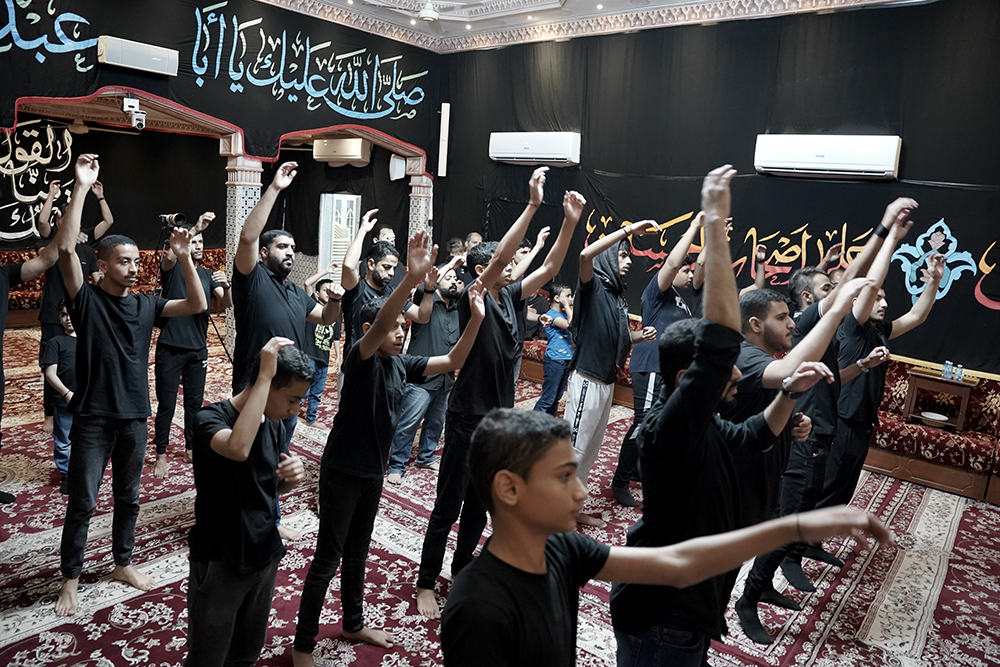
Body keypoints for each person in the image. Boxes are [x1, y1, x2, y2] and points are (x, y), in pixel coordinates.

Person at [439, 408, 894, 667]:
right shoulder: (478, 607)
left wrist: (797, 527)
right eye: (563, 477)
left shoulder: (560, 548)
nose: (582, 492)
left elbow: (678, 565)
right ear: (509, 489)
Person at [608, 165, 833, 666]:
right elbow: (719, 345)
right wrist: (712, 222)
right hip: (661, 617)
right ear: (690, 378)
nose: (737, 374)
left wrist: (789, 393)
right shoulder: (668, 430)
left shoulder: (703, 425)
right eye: (724, 369)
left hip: (684, 613)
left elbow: (753, 436)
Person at [291, 232, 486, 664]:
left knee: (358, 552)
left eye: (404, 326)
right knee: (328, 559)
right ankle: (303, 645)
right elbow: (380, 322)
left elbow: (453, 360)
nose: (401, 332)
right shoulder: (360, 358)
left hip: (372, 473)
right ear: (370, 330)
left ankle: (353, 622)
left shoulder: (401, 363)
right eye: (394, 327)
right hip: (343, 470)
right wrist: (411, 279)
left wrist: (476, 318)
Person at [415, 168, 585, 619]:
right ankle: (426, 581)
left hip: (498, 425)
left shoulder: (509, 298)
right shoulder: (475, 295)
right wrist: (531, 205)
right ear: (483, 270)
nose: (512, 267)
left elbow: (549, 268)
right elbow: (502, 257)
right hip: (467, 418)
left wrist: (569, 223)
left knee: (478, 506)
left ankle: (460, 570)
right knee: (448, 505)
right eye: (504, 265)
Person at [54, 154, 208, 617]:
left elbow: (197, 304)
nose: (134, 267)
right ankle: (70, 579)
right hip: (92, 418)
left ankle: (122, 562)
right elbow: (66, 251)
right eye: (124, 261)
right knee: (83, 502)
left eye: (137, 261)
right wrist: (81, 187)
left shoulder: (147, 305)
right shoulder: (85, 301)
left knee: (129, 497)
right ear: (102, 265)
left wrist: (185, 258)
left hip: (135, 417)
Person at [777, 198, 917, 592]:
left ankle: (801, 550)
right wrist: (885, 231)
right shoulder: (806, 322)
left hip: (823, 420)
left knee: (818, 493)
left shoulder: (825, 328)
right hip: (806, 422)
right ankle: (784, 560)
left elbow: (838, 374)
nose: (837, 291)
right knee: (798, 498)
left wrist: (864, 366)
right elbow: (858, 278)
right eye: (828, 288)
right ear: (809, 299)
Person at [729, 278, 872, 644]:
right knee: (779, 528)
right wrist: (842, 302)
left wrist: (793, 419)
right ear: (756, 324)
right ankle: (746, 601)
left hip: (772, 462)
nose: (791, 323)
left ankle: (755, 591)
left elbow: (766, 408)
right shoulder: (747, 355)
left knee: (784, 525)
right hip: (740, 477)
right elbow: (785, 375)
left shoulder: (766, 356)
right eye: (782, 318)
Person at [185, 338, 309, 667]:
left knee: (246, 653)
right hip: (221, 559)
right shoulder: (209, 418)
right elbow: (238, 448)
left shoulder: (274, 424)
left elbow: (268, 488)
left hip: (263, 554)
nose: (295, 410)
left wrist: (291, 479)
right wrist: (265, 375)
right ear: (264, 384)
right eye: (292, 400)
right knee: (208, 656)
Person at [816, 211, 945, 513]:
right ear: (858, 302)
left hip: (863, 421)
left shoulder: (879, 330)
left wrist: (934, 281)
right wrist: (891, 239)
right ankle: (798, 537)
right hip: (843, 419)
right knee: (828, 486)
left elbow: (916, 316)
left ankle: (817, 534)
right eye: (877, 299)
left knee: (844, 489)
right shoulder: (852, 326)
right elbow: (871, 286)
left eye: (885, 299)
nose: (884, 303)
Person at [563, 218, 658, 526]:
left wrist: (640, 336)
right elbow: (584, 255)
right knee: (573, 451)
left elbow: (616, 336)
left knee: (589, 450)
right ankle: (554, 517)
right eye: (623, 255)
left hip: (605, 382)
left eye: (629, 256)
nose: (629, 261)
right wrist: (629, 230)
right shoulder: (593, 286)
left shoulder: (616, 295)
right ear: (608, 258)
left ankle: (572, 510)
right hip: (587, 379)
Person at [611, 212, 701, 508]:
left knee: (661, 424)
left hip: (669, 370)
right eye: (686, 271)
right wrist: (694, 226)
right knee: (643, 422)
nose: (690, 275)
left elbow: (698, 267)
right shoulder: (658, 291)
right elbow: (673, 263)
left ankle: (639, 470)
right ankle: (620, 480)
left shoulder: (682, 301)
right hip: (651, 366)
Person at [152, 212, 233, 478]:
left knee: (194, 405)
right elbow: (170, 257)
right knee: (167, 405)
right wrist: (195, 228)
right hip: (170, 347)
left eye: (201, 242)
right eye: (194, 241)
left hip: (198, 349)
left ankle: (190, 447)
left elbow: (226, 303)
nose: (198, 246)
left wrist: (227, 286)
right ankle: (161, 454)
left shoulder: (208, 275)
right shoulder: (173, 268)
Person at [36, 178, 110, 433]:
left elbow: (97, 280)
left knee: (79, 360)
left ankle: (82, 401)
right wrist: (51, 194)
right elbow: (42, 223)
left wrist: (100, 196)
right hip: (52, 313)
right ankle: (49, 414)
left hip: (80, 313)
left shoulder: (87, 249)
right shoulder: (51, 242)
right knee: (51, 363)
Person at [386, 255, 464, 484]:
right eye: (448, 278)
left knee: (436, 422)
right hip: (421, 378)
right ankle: (397, 464)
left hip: (446, 379)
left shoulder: (458, 309)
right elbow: (424, 287)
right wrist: (448, 267)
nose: (453, 281)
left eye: (456, 279)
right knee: (408, 422)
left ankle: (425, 456)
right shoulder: (425, 301)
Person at [339, 209, 431, 390]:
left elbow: (422, 316)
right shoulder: (357, 289)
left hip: (386, 370)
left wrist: (429, 289)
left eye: (394, 268)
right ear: (371, 264)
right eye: (386, 267)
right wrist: (363, 230)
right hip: (357, 370)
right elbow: (348, 266)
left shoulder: (392, 293)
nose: (391, 273)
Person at [301, 260, 345, 425]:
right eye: (325, 290)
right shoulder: (312, 305)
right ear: (317, 294)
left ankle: (311, 419)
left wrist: (338, 357)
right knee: (303, 389)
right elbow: (307, 283)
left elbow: (336, 337)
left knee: (317, 391)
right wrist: (326, 271)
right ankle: (290, 414)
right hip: (309, 355)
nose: (328, 293)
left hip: (323, 357)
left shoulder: (333, 312)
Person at [40, 300, 76, 495]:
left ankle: (86, 471)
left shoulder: (92, 339)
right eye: (63, 314)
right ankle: (67, 475)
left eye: (71, 313)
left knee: (89, 438)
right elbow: (50, 374)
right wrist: (66, 393)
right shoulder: (56, 342)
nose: (67, 318)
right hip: (65, 401)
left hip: (89, 401)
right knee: (64, 439)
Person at [533, 283, 574, 417]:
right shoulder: (552, 315)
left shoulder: (564, 314)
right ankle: (530, 424)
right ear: (557, 298)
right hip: (555, 360)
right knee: (548, 398)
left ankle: (549, 423)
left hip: (566, 359)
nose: (570, 299)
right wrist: (567, 306)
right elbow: (570, 325)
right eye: (567, 296)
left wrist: (568, 306)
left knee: (557, 397)